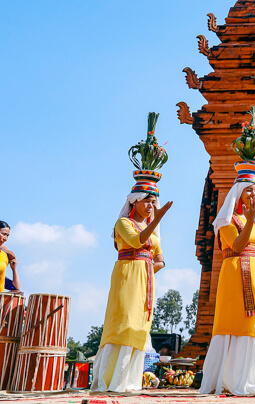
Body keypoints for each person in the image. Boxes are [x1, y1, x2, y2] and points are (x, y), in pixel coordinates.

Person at [91, 112, 171, 392]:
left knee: (139, 325)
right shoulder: (124, 222)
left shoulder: (151, 228)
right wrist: (157, 220)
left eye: (154, 202)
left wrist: (148, 269)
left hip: (144, 277)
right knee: (123, 321)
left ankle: (130, 380)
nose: (151, 206)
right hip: (126, 274)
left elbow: (160, 259)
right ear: (135, 202)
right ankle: (110, 380)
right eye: (148, 201)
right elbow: (137, 242)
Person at [200, 108, 255, 396]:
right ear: (238, 193)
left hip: (252, 272)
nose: (254, 195)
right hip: (233, 272)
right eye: (249, 191)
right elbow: (237, 246)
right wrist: (252, 217)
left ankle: (245, 381)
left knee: (249, 324)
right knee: (231, 322)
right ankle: (224, 380)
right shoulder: (227, 219)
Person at [0, 221, 21, 292]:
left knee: (17, 292)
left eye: (7, 235)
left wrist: (14, 269)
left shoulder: (3, 256)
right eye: (3, 234)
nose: (5, 238)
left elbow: (16, 288)